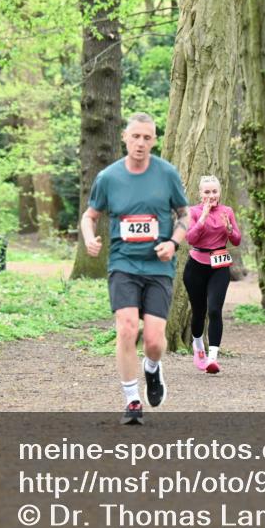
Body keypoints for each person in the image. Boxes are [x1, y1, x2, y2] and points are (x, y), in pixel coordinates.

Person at [81, 113, 189, 425]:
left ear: (154, 140)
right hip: (123, 264)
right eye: (135, 137)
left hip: (158, 267)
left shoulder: (167, 174)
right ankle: (131, 399)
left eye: (147, 138)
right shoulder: (109, 177)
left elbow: (185, 214)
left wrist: (173, 243)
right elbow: (90, 216)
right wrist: (90, 239)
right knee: (127, 328)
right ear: (125, 138)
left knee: (154, 340)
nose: (140, 143)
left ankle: (152, 369)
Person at [183, 175, 242, 374]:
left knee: (215, 310)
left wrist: (229, 229)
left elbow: (237, 240)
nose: (211, 195)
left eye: (214, 191)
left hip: (219, 266)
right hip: (196, 266)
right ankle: (198, 345)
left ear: (220, 192)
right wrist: (203, 218)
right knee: (199, 312)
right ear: (200, 193)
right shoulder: (193, 211)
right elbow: (190, 238)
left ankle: (212, 358)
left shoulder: (227, 211)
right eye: (207, 192)